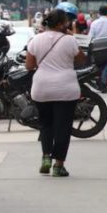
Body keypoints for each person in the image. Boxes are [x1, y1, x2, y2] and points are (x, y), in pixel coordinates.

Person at [26, 9, 85, 177]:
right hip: (66, 89)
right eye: (65, 22)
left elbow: (29, 66)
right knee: (63, 128)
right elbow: (81, 59)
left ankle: (46, 157)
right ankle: (58, 166)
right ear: (60, 24)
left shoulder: (36, 40)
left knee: (46, 125)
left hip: (42, 88)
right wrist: (68, 35)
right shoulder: (69, 40)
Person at [88, 4, 107, 93]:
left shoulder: (94, 23)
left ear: (99, 13)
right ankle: (103, 84)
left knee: (97, 66)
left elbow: (90, 36)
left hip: (97, 48)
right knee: (106, 66)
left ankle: (99, 83)